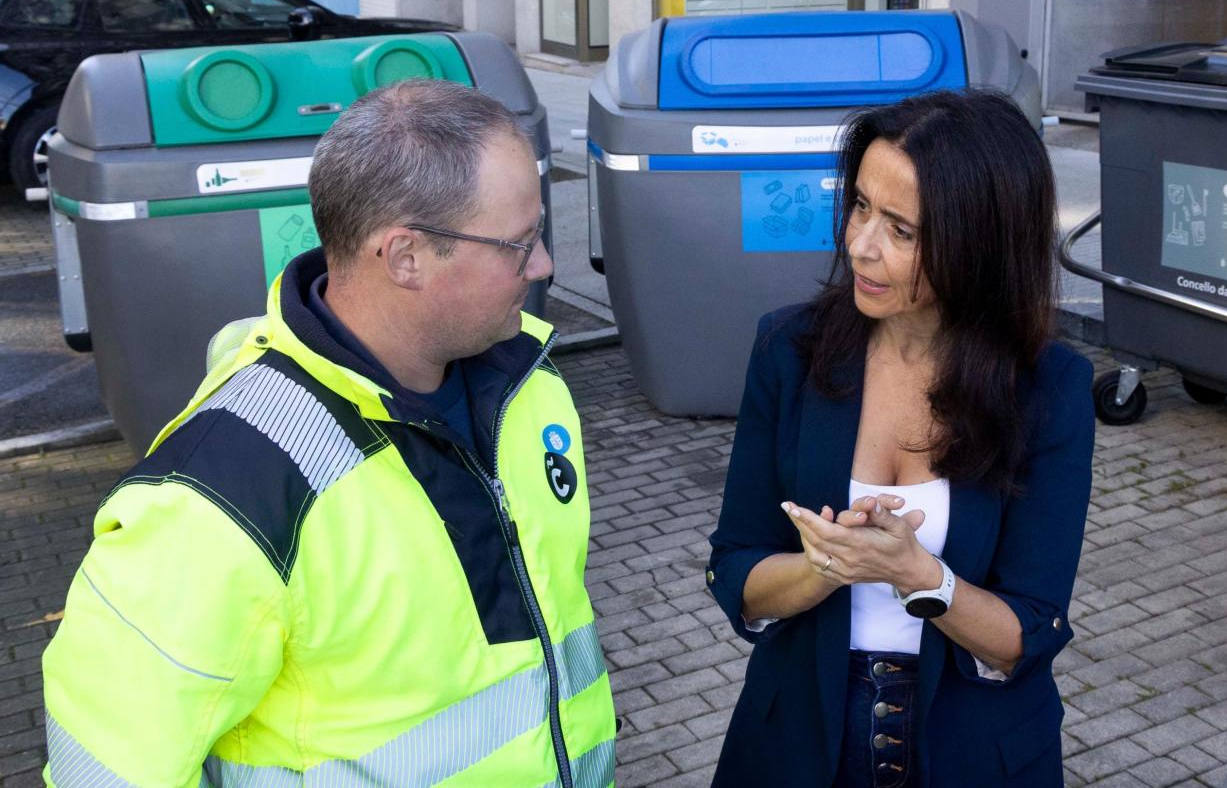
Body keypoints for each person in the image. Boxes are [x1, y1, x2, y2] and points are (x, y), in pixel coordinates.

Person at [39, 79, 616, 787]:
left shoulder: (528, 381)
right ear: (404, 257)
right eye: (519, 244)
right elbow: (103, 772)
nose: (545, 264)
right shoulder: (223, 492)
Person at [706, 89, 1096, 787]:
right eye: (860, 206)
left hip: (975, 753)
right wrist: (822, 568)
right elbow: (736, 570)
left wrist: (921, 576)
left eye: (902, 231)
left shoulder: (1049, 388)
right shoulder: (789, 349)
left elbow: (1026, 634)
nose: (861, 245)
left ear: (981, 243)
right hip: (798, 738)